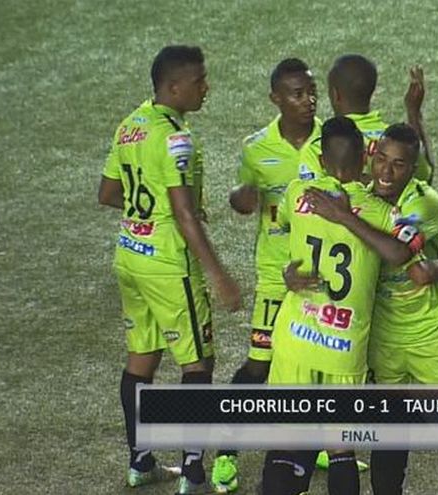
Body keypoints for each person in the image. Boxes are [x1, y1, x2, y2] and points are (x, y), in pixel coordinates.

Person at [304, 123, 438, 494]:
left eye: (399, 165)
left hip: (430, 332)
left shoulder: (422, 202)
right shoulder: (362, 198)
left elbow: (416, 269)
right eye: (381, 160)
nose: (386, 172)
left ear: (413, 168)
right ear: (370, 156)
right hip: (383, 336)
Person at [97, 44, 241, 495]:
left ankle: (140, 463)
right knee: (198, 363)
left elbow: (108, 193)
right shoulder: (175, 138)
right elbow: (182, 214)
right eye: (199, 80)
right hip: (167, 263)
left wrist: (153, 210)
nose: (206, 87)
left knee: (141, 358)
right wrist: (218, 274)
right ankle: (193, 473)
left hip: (130, 255)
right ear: (174, 87)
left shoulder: (130, 125)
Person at [261, 116, 418, 495]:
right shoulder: (382, 212)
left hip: (296, 339)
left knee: (286, 442)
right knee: (340, 448)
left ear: (321, 159)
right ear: (365, 159)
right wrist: (347, 217)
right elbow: (401, 253)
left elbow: (284, 231)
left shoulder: (298, 193)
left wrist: (287, 273)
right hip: (344, 346)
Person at [215, 57, 322, 493]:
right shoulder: (256, 147)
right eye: (297, 94)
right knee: (260, 366)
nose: (308, 100)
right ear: (276, 98)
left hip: (321, 276)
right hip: (277, 277)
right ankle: (226, 448)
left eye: (312, 92)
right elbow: (242, 195)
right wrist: (240, 197)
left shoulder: (331, 140)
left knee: (317, 364)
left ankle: (314, 443)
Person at [298, 55, 435, 183]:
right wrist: (414, 113)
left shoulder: (318, 147)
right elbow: (425, 177)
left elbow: (310, 197)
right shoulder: (397, 143)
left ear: (335, 95)